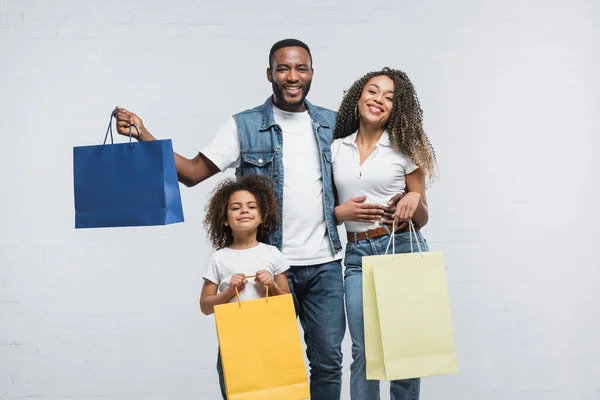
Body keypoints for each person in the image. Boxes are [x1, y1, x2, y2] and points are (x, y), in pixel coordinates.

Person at [113, 39, 386, 399]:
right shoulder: (244, 126)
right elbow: (193, 172)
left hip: (325, 266)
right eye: (284, 68)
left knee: (327, 363)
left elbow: (370, 161)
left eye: (301, 68)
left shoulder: (332, 124)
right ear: (269, 74)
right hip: (268, 267)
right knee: (258, 363)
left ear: (311, 74)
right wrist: (144, 135)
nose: (292, 76)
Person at [331, 67, 437, 400]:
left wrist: (412, 198)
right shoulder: (334, 149)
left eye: (389, 98)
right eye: (373, 91)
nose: (379, 100)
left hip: (401, 247)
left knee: (404, 351)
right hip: (357, 255)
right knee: (364, 351)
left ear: (397, 108)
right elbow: (322, 211)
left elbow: (423, 216)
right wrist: (339, 214)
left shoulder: (405, 148)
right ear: (358, 97)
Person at [199, 175, 290, 399]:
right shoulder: (219, 259)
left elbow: (287, 301)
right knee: (238, 393)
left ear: (261, 217)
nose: (244, 211)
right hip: (235, 344)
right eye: (235, 208)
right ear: (225, 219)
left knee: (274, 393)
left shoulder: (272, 254)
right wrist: (230, 291)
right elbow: (205, 305)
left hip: (271, 341)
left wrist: (271, 285)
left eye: (251, 207)